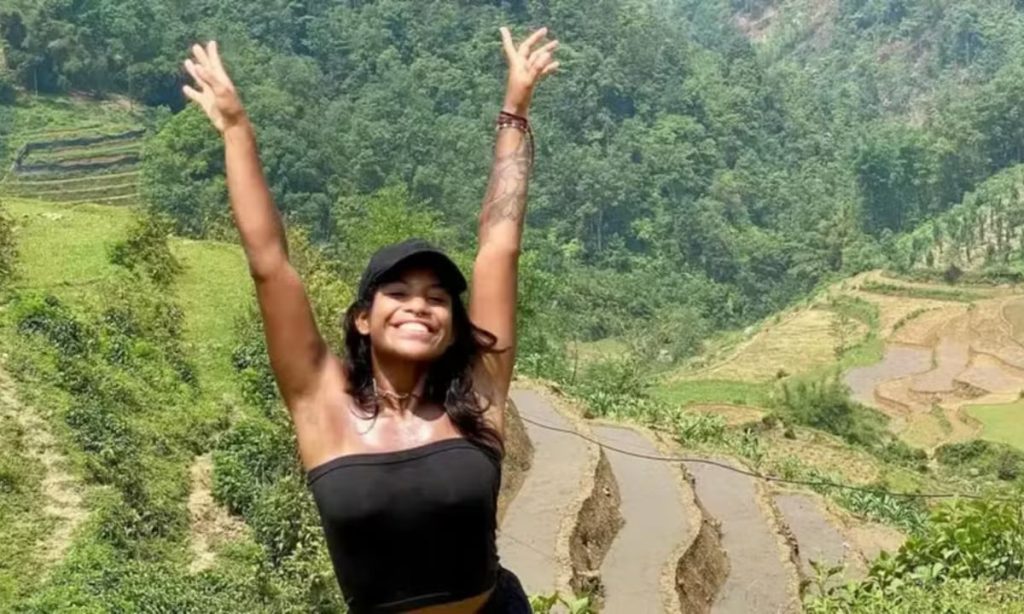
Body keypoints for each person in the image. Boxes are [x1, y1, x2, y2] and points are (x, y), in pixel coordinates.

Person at [182, 24, 560, 614]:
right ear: (363, 319)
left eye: (437, 298)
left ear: (452, 325)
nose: (419, 306)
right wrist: (236, 128)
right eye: (398, 293)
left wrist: (515, 111)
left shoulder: (478, 394)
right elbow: (270, 265)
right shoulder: (322, 404)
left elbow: (499, 246)